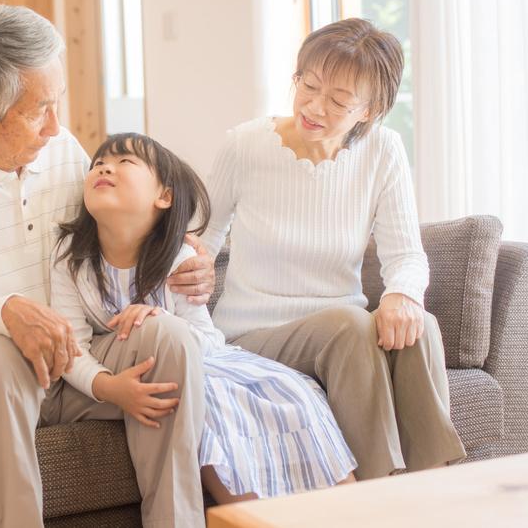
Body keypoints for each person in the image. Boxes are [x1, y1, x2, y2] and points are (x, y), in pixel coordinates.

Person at [0, 4, 215, 527]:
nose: (57, 126)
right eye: (39, 110)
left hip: (80, 354)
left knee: (169, 338)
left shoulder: (60, 152)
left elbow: (124, 224)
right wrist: (6, 312)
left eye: (57, 104)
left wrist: (187, 253)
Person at [202, 18, 467, 480]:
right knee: (350, 323)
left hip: (345, 337)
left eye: (339, 100)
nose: (314, 106)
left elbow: (406, 255)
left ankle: (436, 488)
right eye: (309, 85)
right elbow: (199, 238)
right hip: (254, 336)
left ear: (369, 111)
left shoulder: (384, 152)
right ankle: (373, 496)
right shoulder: (245, 145)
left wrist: (402, 295)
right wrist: (189, 268)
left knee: (418, 325)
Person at [50, 132, 357, 506]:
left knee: (290, 394)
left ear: (163, 196)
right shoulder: (71, 259)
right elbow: (74, 346)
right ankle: (251, 514)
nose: (104, 167)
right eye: (99, 163)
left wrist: (163, 319)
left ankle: (353, 510)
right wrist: (110, 384)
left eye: (124, 162)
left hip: (208, 361)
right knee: (206, 403)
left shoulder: (177, 259)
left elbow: (207, 338)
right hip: (154, 370)